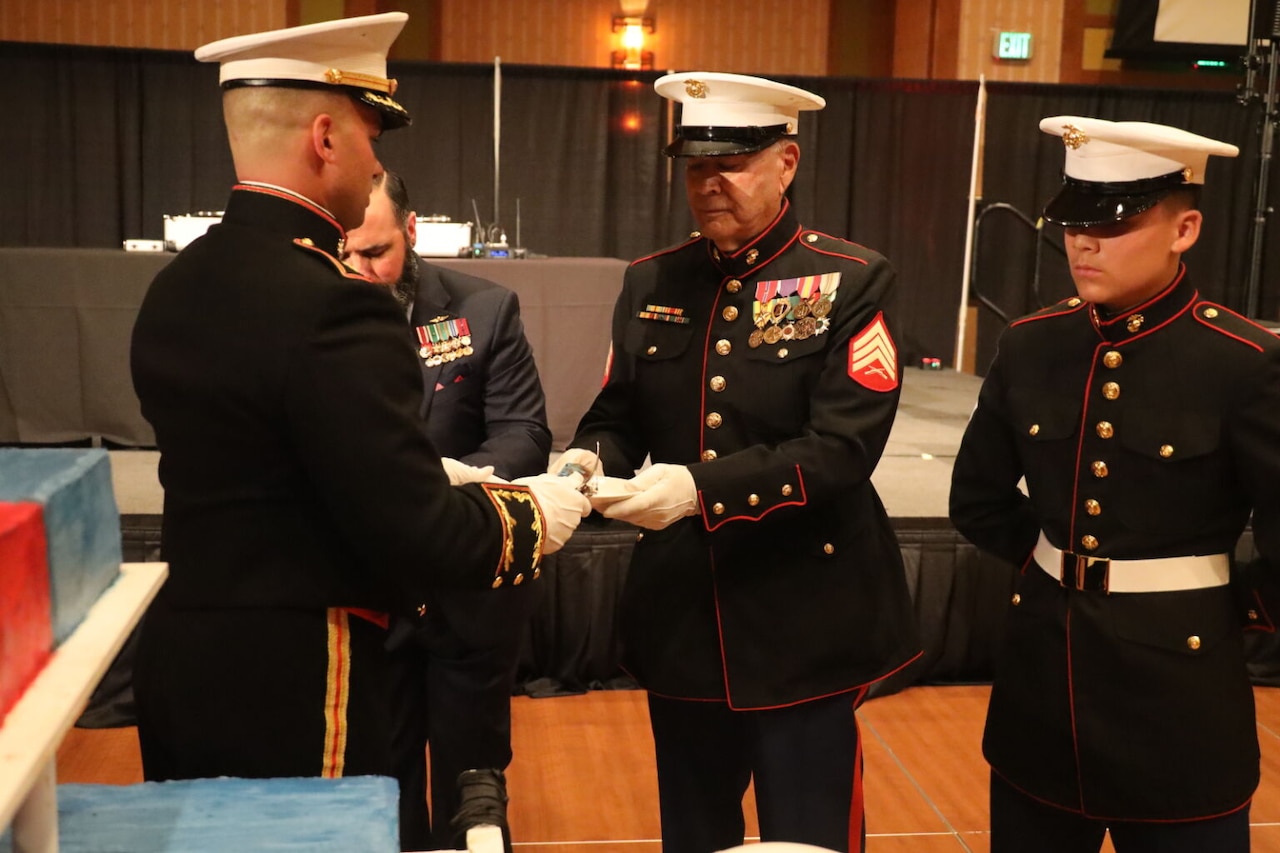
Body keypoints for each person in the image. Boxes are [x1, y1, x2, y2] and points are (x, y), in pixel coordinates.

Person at [127, 14, 590, 851]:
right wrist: (533, 516)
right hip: (304, 670)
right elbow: (414, 526)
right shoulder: (335, 305)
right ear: (325, 137)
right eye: (371, 136)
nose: (378, 162)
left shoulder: (178, 285)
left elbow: (277, 468)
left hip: (184, 658)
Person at [552, 72, 920, 853]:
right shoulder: (653, 279)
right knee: (694, 834)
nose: (709, 182)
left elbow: (842, 448)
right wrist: (585, 461)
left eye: (732, 163)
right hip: (685, 613)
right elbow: (620, 413)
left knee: (809, 838)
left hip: (804, 613)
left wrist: (697, 488)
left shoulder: (852, 279)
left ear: (787, 163)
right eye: (696, 166)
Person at [949, 116, 1274, 852]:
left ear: (1185, 229)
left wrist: (1225, 606)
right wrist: (1052, 568)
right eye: (1074, 223)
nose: (1084, 243)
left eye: (1115, 224)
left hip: (1180, 697)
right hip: (1042, 692)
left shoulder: (1242, 362)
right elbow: (977, 498)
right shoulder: (1032, 345)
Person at [343, 171, 551, 850]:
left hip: (469, 594)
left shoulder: (483, 310)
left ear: (411, 231)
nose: (361, 271)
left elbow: (524, 433)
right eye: (347, 254)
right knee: (382, 794)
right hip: (367, 595)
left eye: (376, 252)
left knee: (474, 801)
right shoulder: (316, 316)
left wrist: (437, 485)